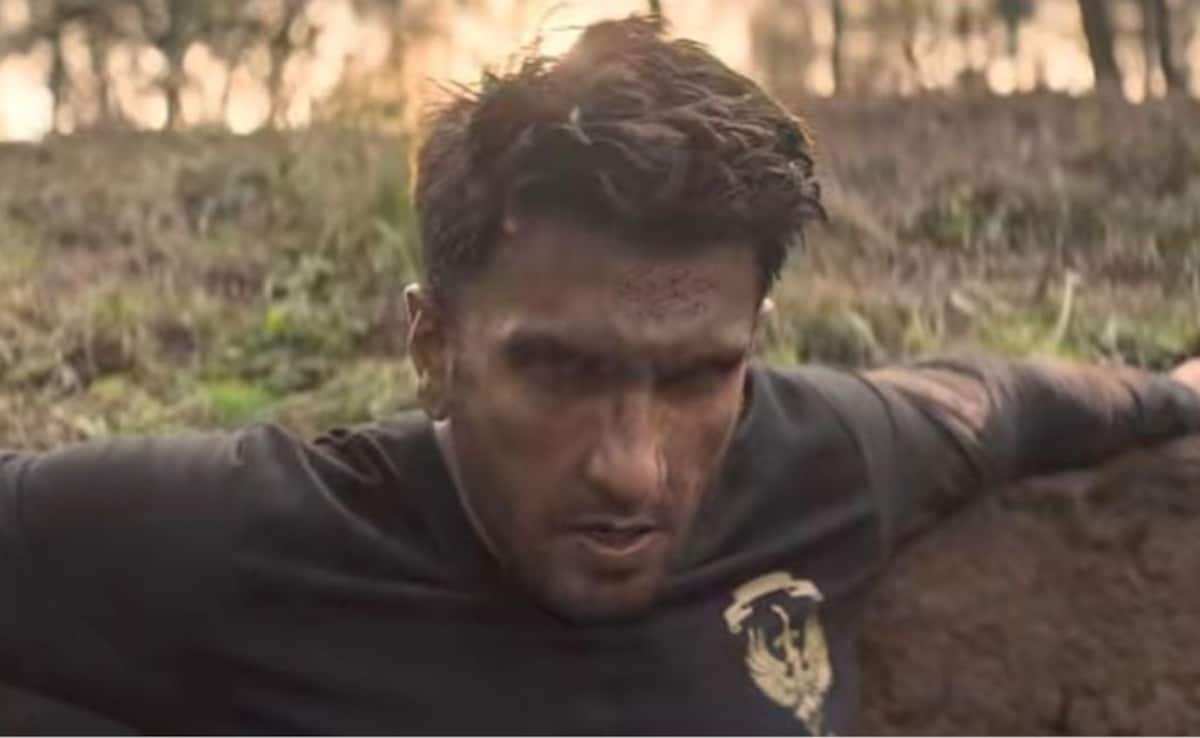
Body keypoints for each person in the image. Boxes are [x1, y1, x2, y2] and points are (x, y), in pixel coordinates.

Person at [3, 15, 1199, 735]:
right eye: (560, 371)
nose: (633, 470)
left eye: (694, 378)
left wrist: (1180, 392)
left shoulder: (824, 463)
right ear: (433, 346)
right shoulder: (250, 539)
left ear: (753, 339)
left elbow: (997, 402)